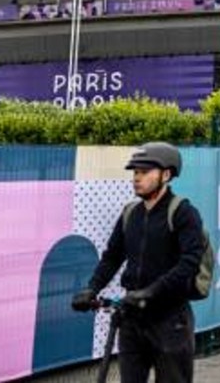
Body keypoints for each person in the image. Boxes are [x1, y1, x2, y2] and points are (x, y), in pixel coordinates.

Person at [71, 142, 207, 383]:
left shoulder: (183, 212)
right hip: (132, 320)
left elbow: (189, 263)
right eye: (135, 172)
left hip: (171, 320)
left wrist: (151, 292)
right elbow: (112, 257)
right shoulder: (130, 213)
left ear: (166, 174)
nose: (137, 178)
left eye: (145, 172)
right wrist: (92, 288)